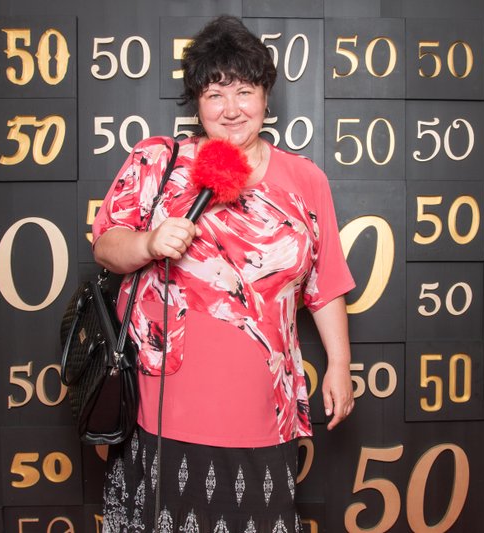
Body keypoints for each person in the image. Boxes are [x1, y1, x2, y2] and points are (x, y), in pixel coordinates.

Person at [92, 15, 355, 532]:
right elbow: (105, 247)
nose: (231, 109)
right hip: (165, 407)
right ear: (197, 102)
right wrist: (148, 242)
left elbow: (324, 286)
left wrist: (341, 364)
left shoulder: (305, 179)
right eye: (215, 94)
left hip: (264, 408)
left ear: (266, 96)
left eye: (244, 91)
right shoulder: (158, 162)